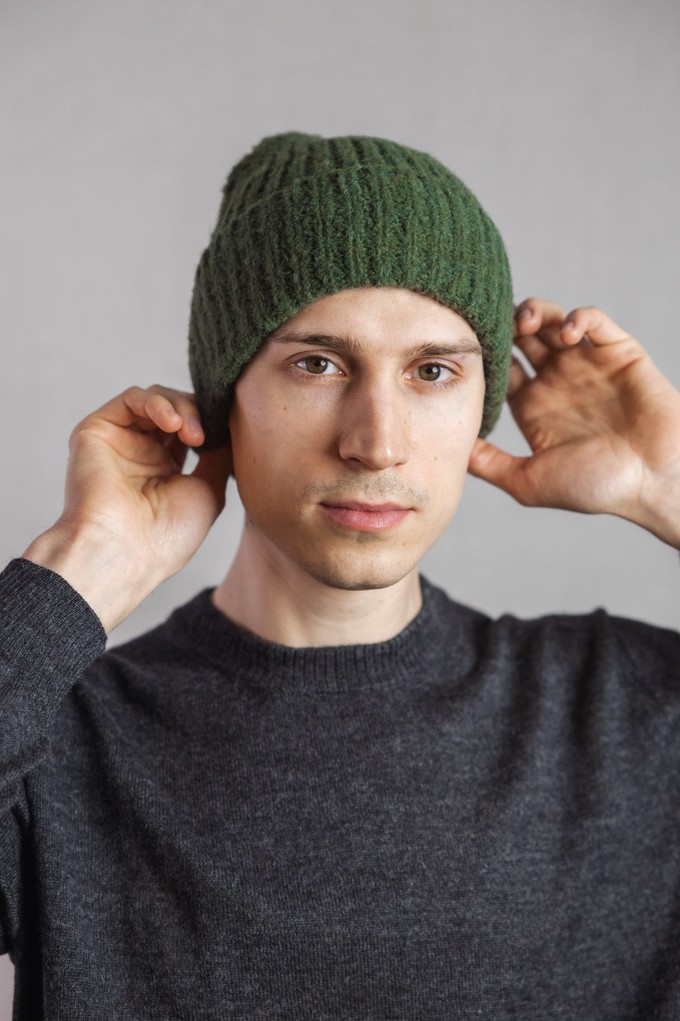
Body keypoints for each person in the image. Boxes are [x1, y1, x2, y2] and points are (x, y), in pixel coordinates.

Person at [2, 132, 680, 1020]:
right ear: (222, 397)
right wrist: (85, 559)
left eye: (433, 372)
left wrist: (670, 489)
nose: (377, 441)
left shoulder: (622, 715)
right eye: (316, 364)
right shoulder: (59, 738)